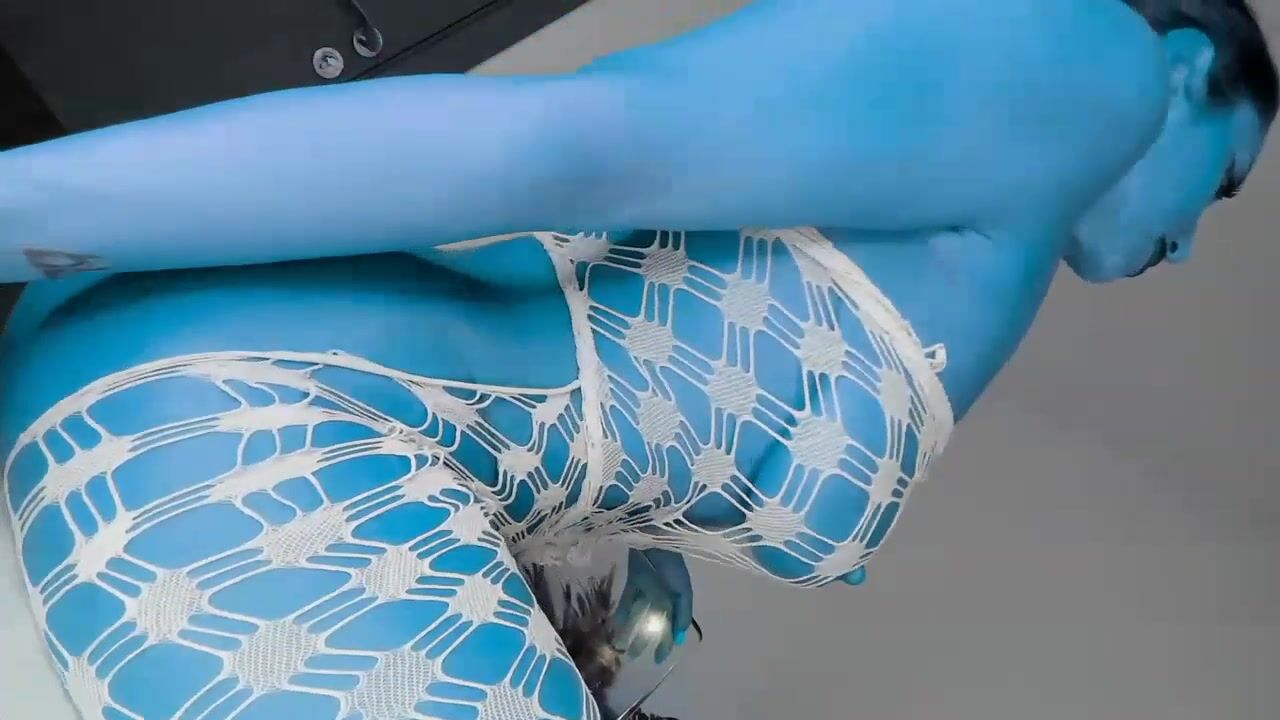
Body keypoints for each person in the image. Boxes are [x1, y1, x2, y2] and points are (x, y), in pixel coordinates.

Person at [1, 0, 1274, 718]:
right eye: (1221, 180)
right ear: (1182, 73)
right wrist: (22, 210)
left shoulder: (985, 203)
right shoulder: (1094, 57)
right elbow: (569, 147)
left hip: (230, 428)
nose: (1183, 245)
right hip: (272, 431)